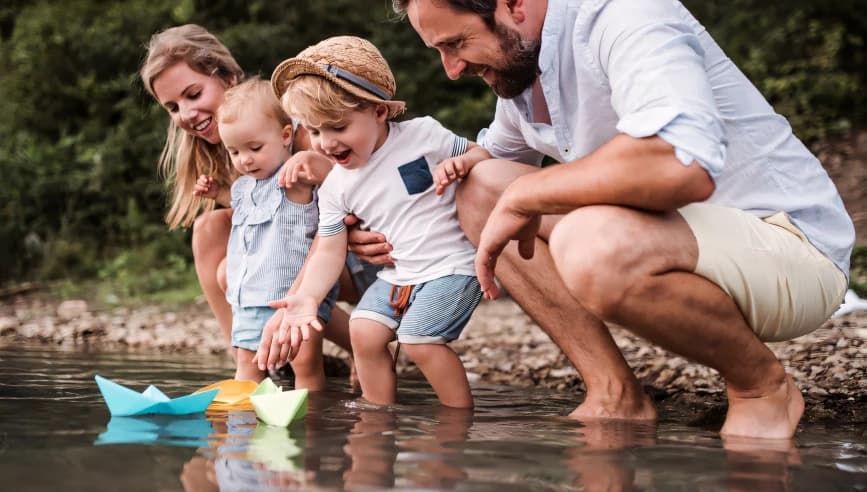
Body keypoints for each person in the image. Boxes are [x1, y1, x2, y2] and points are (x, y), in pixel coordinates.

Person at [385, 0, 854, 439]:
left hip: (790, 250)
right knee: (480, 188)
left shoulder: (625, 14)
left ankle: (760, 388)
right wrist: (379, 233)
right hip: (684, 240)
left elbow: (680, 163)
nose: (452, 70)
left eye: (456, 44)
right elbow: (487, 171)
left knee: (590, 244)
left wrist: (530, 192)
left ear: (514, 4)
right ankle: (615, 394)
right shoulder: (523, 65)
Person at [258, 36, 490, 408]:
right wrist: (307, 297)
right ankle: (378, 413)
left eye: (338, 127)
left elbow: (482, 153)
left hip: (452, 265)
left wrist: (465, 162)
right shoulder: (335, 186)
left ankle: (458, 419)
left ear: (379, 112)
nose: (326, 144)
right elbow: (329, 251)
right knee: (362, 331)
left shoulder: (423, 136)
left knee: (418, 340)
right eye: (315, 131)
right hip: (399, 275)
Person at [140, 24, 368, 381]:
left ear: (228, 76)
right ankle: (252, 358)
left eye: (193, 94)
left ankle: (350, 344)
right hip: (297, 260)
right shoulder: (233, 152)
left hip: (354, 252)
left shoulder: (297, 131)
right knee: (209, 229)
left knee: (245, 271)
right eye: (172, 106)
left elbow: (351, 204)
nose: (186, 113)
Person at [193, 77, 338, 382]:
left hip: (290, 296)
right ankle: (241, 425)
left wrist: (310, 159)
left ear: (286, 135)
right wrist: (216, 193)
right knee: (247, 364)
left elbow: (337, 183)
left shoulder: (294, 177)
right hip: (248, 298)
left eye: (255, 148)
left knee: (305, 366)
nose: (244, 160)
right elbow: (243, 205)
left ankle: (313, 422)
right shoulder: (244, 186)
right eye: (234, 152)